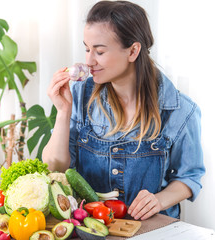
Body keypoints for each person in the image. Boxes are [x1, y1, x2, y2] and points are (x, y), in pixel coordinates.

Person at [42, 0, 205, 220]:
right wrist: (63, 112)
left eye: (99, 51)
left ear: (133, 51)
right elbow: (53, 167)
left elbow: (190, 176)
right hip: (91, 225)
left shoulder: (180, 110)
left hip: (151, 229)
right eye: (87, 49)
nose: (89, 61)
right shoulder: (80, 96)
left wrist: (159, 200)